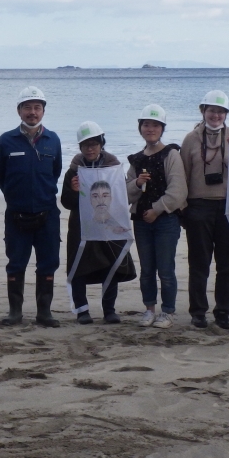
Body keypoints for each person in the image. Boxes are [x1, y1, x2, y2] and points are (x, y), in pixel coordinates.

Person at [0, 86, 64, 328]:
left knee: (48, 263)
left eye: (37, 108)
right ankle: (15, 312)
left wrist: (40, 195)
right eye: (27, 108)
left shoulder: (53, 140)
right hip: (16, 215)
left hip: (47, 214)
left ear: (43, 111)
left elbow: (55, 173)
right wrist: (17, 197)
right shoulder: (6, 140)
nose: (32, 112)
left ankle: (44, 312)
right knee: (16, 263)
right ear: (19, 111)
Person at [178, 90, 229, 329]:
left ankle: (223, 312)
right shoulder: (190, 139)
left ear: (226, 114)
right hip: (198, 206)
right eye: (212, 110)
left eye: (221, 111)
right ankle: (198, 312)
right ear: (202, 110)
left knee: (227, 263)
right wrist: (183, 209)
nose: (216, 115)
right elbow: (182, 175)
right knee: (199, 262)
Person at [61, 122, 135, 325]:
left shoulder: (113, 168)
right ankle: (82, 310)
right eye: (85, 145)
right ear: (80, 148)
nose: (90, 148)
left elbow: (120, 198)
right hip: (81, 226)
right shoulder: (73, 171)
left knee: (110, 264)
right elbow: (66, 202)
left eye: (94, 144)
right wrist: (74, 191)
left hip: (107, 225)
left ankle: (109, 310)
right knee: (77, 266)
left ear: (101, 144)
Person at [126, 104, 187, 329]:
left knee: (166, 268)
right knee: (147, 268)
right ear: (140, 128)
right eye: (146, 125)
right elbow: (125, 191)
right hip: (141, 221)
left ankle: (168, 311)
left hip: (166, 221)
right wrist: (137, 183)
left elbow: (178, 190)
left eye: (155, 125)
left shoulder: (171, 154)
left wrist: (158, 209)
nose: (150, 129)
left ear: (162, 128)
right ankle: (149, 309)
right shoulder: (136, 159)